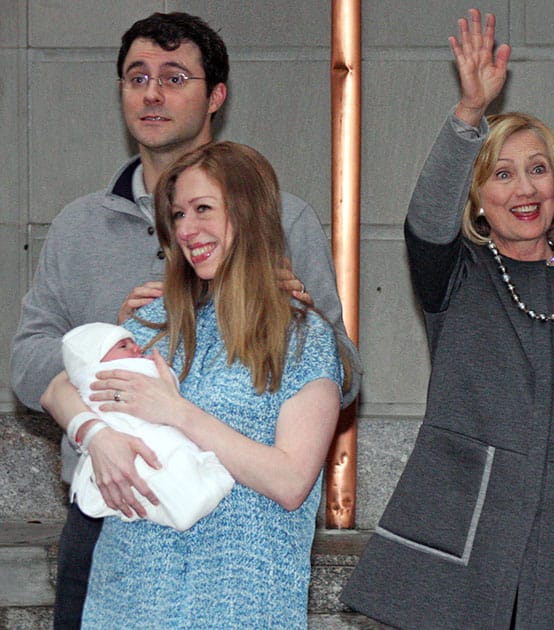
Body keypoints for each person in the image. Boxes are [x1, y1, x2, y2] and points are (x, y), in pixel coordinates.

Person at [8, 12, 360, 628]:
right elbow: (32, 356)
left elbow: (337, 372)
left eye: (174, 77)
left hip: (241, 562)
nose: (151, 92)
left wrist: (290, 311)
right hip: (115, 521)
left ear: (215, 96)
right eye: (137, 77)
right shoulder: (78, 226)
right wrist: (107, 352)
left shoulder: (289, 221)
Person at [340, 9, 554, 629]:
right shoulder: (456, 275)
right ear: (476, 197)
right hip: (461, 546)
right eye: (501, 174)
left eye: (537, 169)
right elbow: (424, 221)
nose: (524, 189)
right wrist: (470, 113)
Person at [41, 141, 344, 627]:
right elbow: (58, 387)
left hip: (239, 606)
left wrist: (178, 412)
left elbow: (289, 482)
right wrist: (93, 434)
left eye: (203, 209)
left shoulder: (303, 338)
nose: (186, 229)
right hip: (128, 602)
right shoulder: (151, 321)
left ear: (249, 214)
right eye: (178, 214)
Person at [62, 322, 234, 531]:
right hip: (131, 441)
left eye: (134, 343)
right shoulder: (97, 377)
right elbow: (55, 391)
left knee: (169, 462)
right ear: (93, 359)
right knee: (159, 466)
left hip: (153, 434)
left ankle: (184, 499)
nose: (137, 349)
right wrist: (95, 433)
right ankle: (186, 500)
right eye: (123, 346)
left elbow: (166, 396)